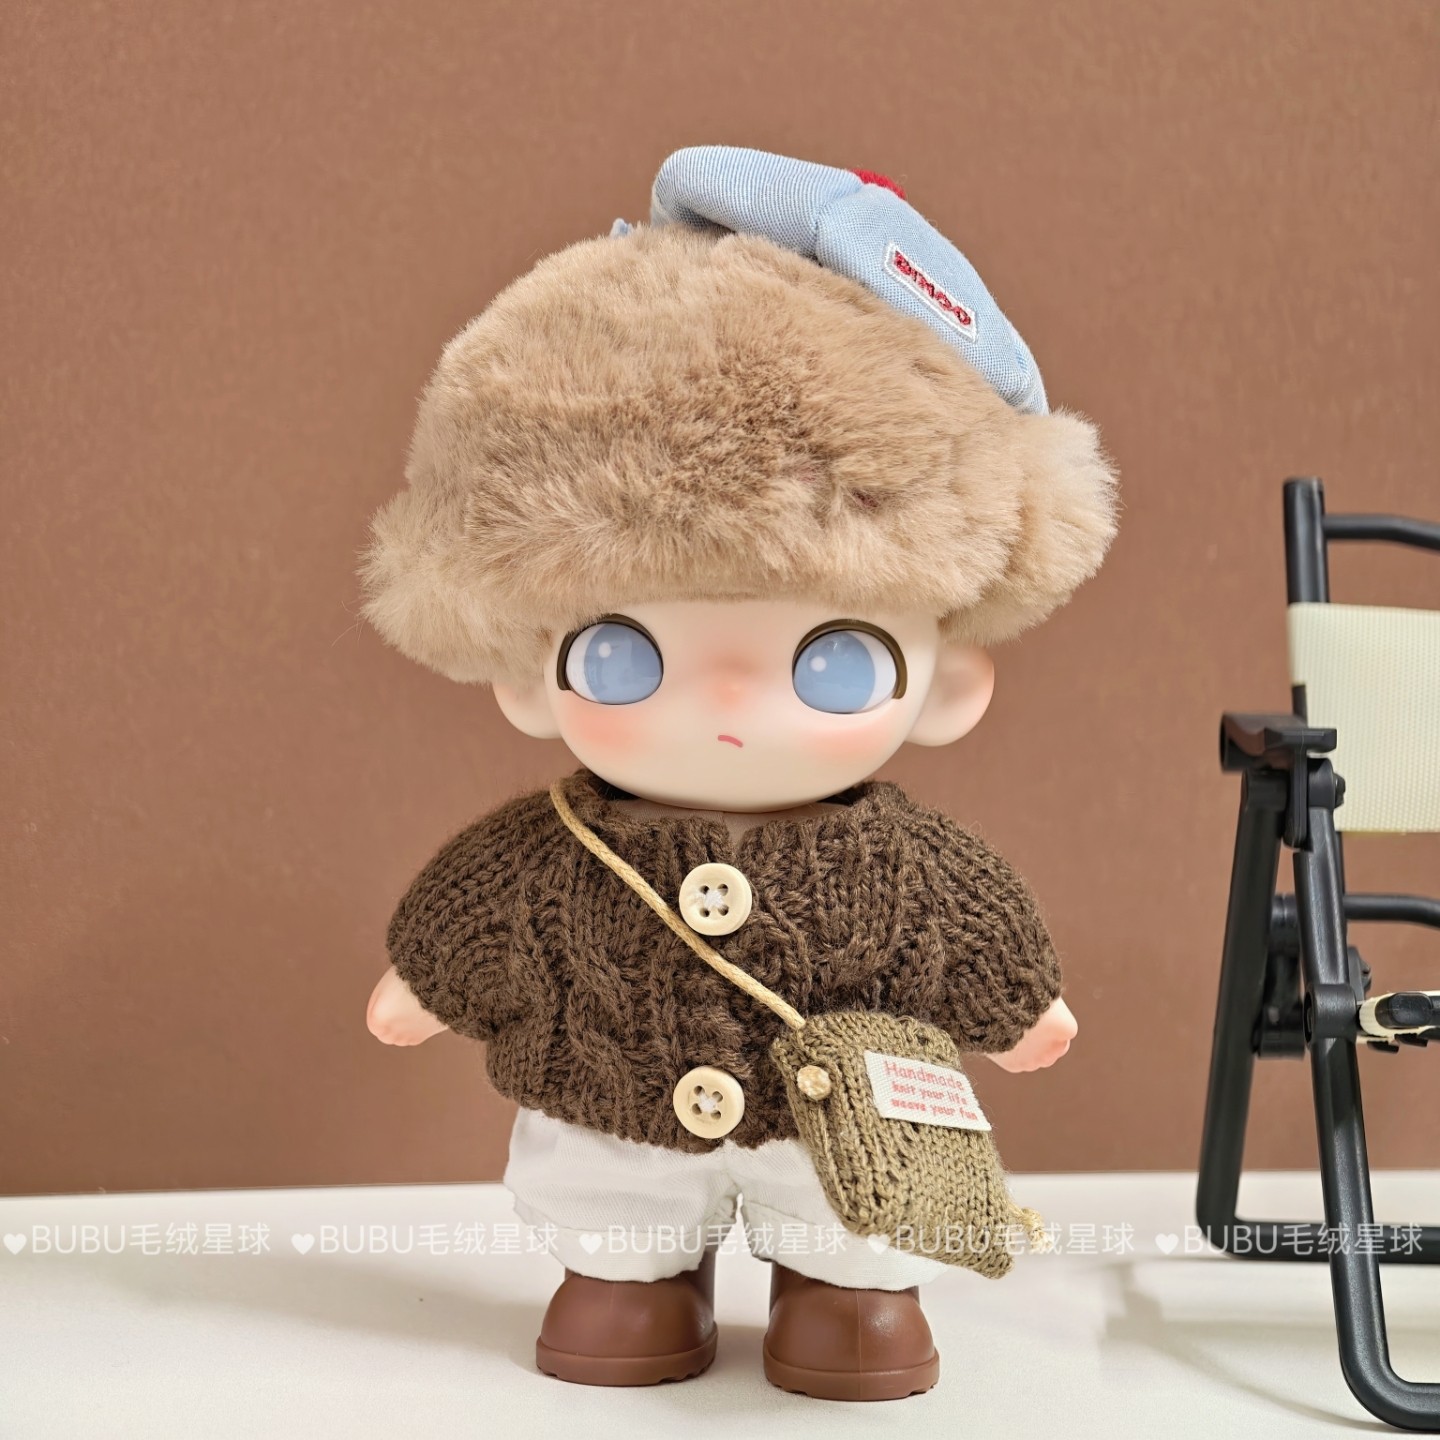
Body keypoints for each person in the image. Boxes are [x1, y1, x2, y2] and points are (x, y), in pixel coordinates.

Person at [358, 146, 1118, 1401]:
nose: (722, 707)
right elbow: (474, 913)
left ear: (946, 688)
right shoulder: (553, 852)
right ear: (527, 675)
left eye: (829, 662)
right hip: (608, 1107)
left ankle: (845, 1293)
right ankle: (633, 1281)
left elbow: (974, 928)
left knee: (851, 1230)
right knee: (613, 1213)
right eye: (624, 655)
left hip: (845, 1135)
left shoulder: (904, 866)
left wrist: (1015, 1001)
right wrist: (425, 981)